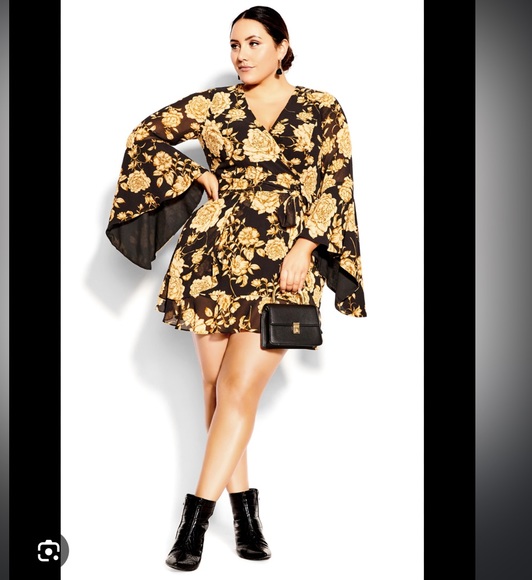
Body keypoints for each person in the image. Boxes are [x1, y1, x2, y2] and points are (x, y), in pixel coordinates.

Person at [106, 5, 366, 571]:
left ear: (282, 46)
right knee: (216, 388)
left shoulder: (322, 107)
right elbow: (144, 136)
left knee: (238, 389)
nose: (241, 55)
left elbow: (336, 182)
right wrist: (195, 174)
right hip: (211, 255)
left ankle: (192, 526)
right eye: (234, 44)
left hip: (283, 261)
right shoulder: (215, 105)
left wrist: (306, 248)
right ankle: (246, 515)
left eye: (253, 43)